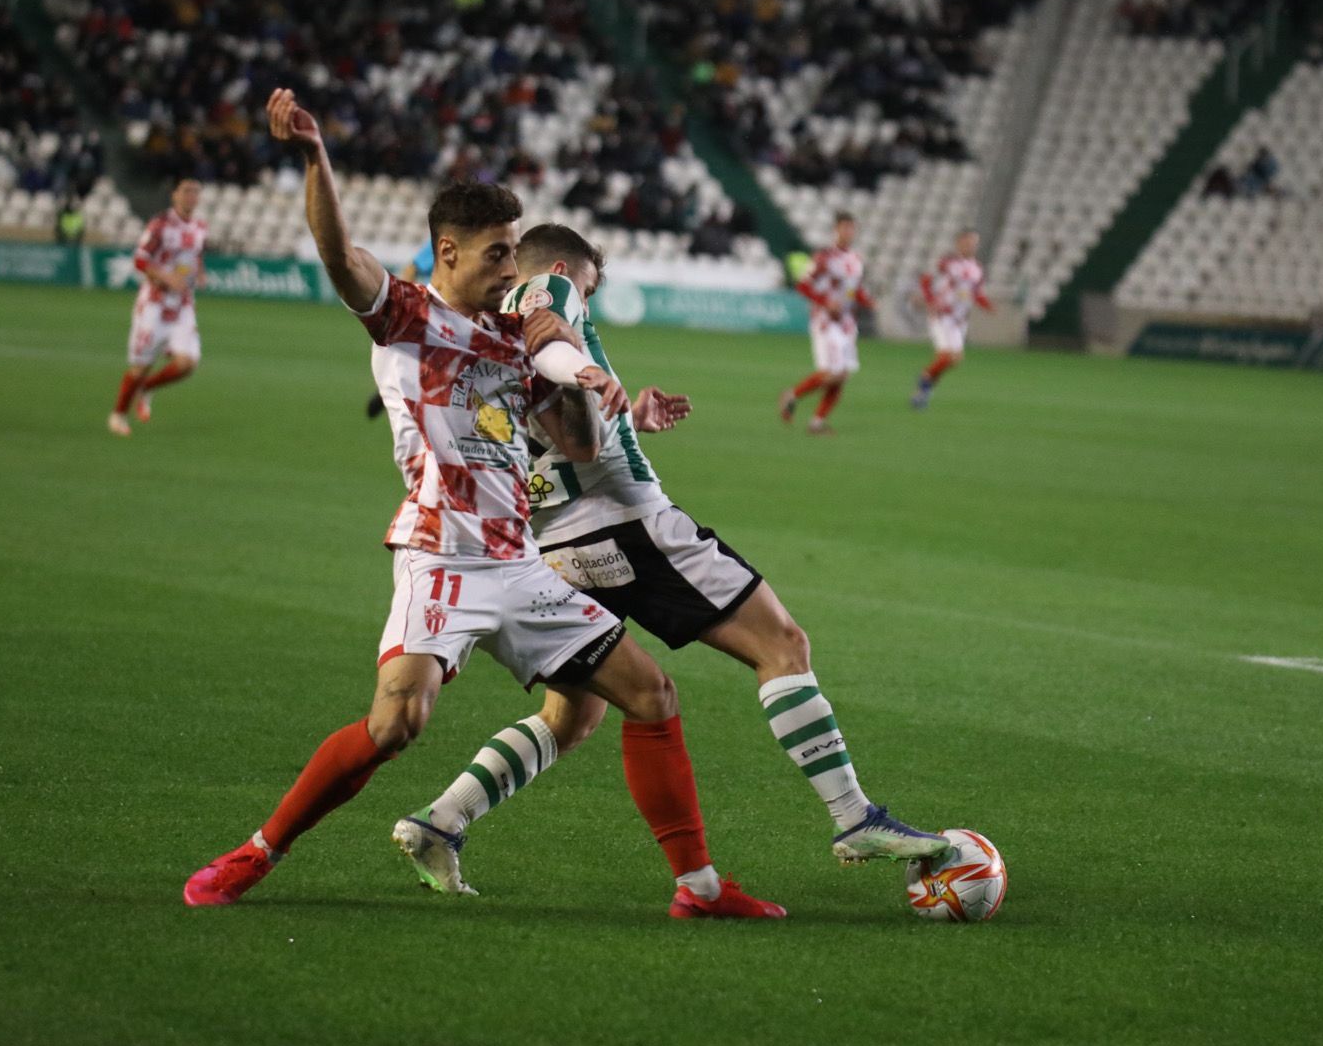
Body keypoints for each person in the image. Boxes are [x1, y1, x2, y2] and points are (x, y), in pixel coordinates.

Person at [182, 90, 783, 920]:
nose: (512, 271)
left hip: (518, 562)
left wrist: (591, 386)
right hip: (440, 556)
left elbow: (573, 443)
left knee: (652, 695)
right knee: (397, 724)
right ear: (449, 252)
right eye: (500, 255)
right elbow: (335, 251)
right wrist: (316, 155)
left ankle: (699, 888)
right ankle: (258, 852)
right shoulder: (407, 318)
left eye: (516, 256)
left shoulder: (513, 339)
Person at [395, 223, 948, 897]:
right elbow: (549, 340)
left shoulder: (484, 327)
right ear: (568, 268)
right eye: (590, 288)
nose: (585, 301)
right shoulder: (548, 287)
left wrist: (628, 416)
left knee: (571, 718)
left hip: (557, 544)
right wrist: (590, 368)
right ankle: (853, 816)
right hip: (629, 522)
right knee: (782, 644)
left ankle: (441, 820)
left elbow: (548, 411)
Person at [109, 178, 205, 437]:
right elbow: (140, 260)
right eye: (186, 191)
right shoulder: (160, 225)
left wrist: (200, 274)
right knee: (140, 366)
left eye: (195, 192)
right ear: (174, 195)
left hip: (183, 305)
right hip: (155, 305)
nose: (191, 197)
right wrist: (166, 277)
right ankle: (118, 414)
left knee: (187, 363)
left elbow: (194, 257)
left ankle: (147, 388)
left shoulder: (199, 227)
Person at [780, 212, 871, 435]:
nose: (848, 232)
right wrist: (825, 302)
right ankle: (792, 395)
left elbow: (853, 289)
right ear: (836, 230)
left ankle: (817, 423)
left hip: (847, 323)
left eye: (852, 228)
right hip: (826, 322)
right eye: (844, 228)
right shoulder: (824, 257)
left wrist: (866, 300)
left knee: (842, 375)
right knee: (831, 373)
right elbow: (803, 285)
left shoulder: (856, 259)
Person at [912, 229, 994, 410]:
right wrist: (930, 301)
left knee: (954, 360)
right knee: (947, 356)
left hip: (959, 320)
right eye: (968, 242)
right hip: (943, 315)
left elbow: (976, 293)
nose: (972, 245)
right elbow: (926, 280)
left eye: (974, 242)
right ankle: (924, 384)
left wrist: (988, 306)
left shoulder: (977, 268)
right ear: (959, 243)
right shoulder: (947, 262)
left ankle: (925, 386)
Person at [365, 235, 435, 420]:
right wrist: (401, 304)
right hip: (432, 314)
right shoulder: (447, 238)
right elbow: (413, 268)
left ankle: (391, 390)